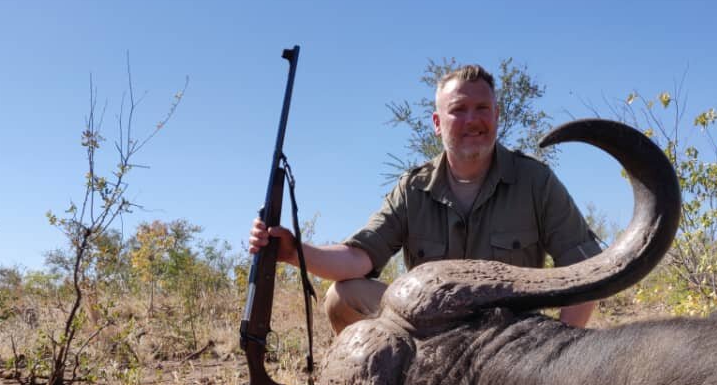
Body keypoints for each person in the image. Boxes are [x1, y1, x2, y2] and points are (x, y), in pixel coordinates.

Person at [249, 63, 602, 334]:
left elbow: (587, 268)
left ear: (496, 116)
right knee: (343, 297)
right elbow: (359, 257)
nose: (472, 120)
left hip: (509, 345)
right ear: (437, 122)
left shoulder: (535, 181)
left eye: (482, 108)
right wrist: (294, 251)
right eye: (458, 110)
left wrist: (556, 350)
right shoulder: (413, 187)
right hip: (431, 335)